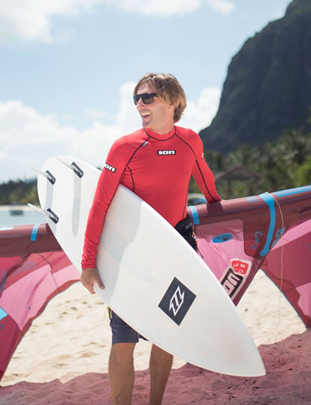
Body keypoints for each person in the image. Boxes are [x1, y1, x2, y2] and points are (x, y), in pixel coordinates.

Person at [80, 72, 221, 405]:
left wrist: (219, 206)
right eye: (136, 99)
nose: (140, 105)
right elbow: (100, 205)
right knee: (123, 339)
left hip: (177, 247)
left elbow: (206, 181)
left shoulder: (190, 140)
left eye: (148, 97)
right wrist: (88, 263)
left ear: (172, 101)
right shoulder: (124, 147)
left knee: (168, 333)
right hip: (132, 253)